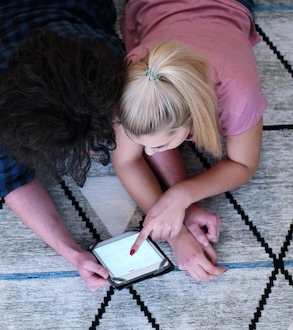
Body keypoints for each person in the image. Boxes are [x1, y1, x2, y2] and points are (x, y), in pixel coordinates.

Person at [0, 0, 125, 291]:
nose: (93, 153)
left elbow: (149, 123)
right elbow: (11, 180)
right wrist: (71, 252)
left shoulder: (105, 57)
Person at [113, 0, 267, 282]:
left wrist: (182, 195)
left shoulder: (237, 94)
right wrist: (177, 230)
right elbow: (125, 160)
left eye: (158, 145)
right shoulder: (137, 73)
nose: (147, 152)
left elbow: (244, 164)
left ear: (192, 120)